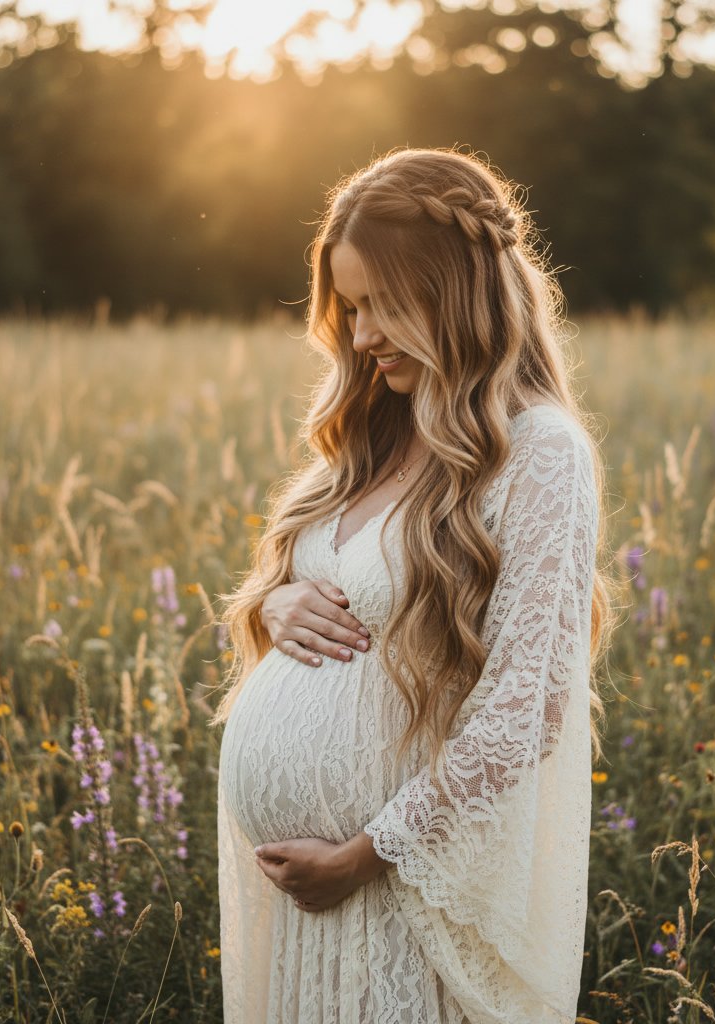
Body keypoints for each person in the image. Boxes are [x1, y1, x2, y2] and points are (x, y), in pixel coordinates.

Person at [211, 146, 615, 1024]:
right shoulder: (375, 434)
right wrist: (270, 604)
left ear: (454, 290)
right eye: (350, 309)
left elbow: (529, 706)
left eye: (383, 306)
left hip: (402, 896)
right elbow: (297, 593)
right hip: (302, 909)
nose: (360, 337)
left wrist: (367, 852)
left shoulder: (540, 451)